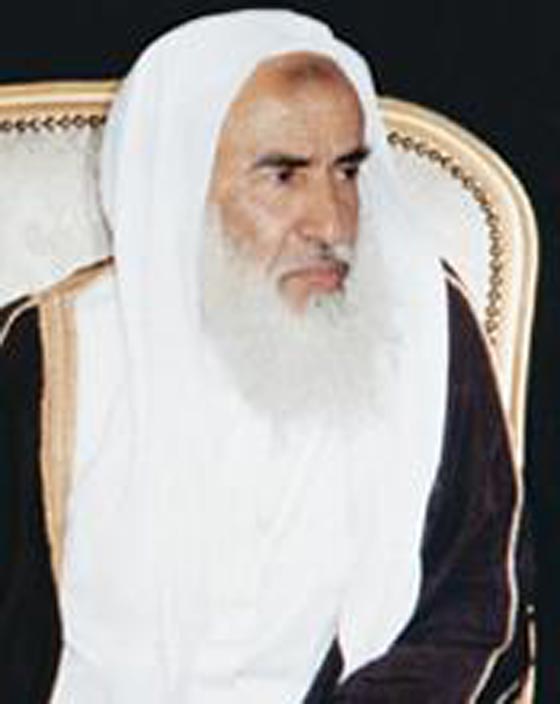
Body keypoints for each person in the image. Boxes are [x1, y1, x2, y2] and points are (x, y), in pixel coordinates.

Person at [0, 9, 529, 703]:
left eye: (347, 170)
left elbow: (474, 615)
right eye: (283, 176)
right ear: (182, 185)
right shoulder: (51, 351)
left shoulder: (424, 329)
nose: (332, 222)